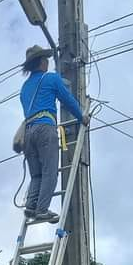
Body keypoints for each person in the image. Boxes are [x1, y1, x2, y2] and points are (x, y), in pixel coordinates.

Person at [19, 44, 86, 224]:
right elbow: (68, 100)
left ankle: (31, 206)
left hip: (28, 133)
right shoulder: (51, 79)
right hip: (44, 128)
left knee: (36, 175)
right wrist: (82, 117)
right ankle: (41, 209)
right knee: (50, 172)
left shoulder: (24, 87)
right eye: (46, 60)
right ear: (42, 62)